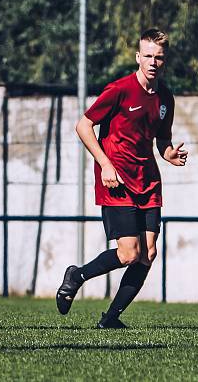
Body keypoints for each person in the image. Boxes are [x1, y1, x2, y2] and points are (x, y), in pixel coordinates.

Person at [56, 28, 187, 328]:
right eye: (149, 56)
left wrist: (169, 154)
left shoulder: (165, 98)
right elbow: (83, 126)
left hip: (148, 181)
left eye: (160, 57)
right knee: (129, 253)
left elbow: (162, 141)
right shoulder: (119, 90)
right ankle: (77, 276)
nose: (154, 62)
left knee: (148, 254)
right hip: (118, 180)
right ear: (138, 57)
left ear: (165, 60)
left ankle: (110, 318)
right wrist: (104, 164)